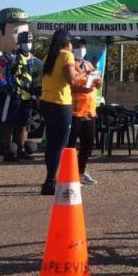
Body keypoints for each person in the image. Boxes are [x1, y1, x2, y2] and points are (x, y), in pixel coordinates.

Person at [0, 31, 42, 162]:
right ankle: (8, 150)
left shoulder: (33, 60)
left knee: (23, 124)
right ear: (19, 43)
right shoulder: (10, 57)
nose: (28, 44)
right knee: (9, 123)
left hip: (27, 97)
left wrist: (37, 93)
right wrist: (4, 84)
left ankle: (21, 148)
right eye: (25, 42)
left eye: (29, 42)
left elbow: (35, 80)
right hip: (12, 95)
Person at [38, 30, 78, 195]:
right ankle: (50, 182)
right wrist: (80, 74)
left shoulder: (48, 57)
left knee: (51, 143)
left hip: (46, 101)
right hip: (60, 103)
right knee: (59, 145)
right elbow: (70, 80)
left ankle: (49, 179)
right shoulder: (67, 56)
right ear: (67, 43)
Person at [67, 39, 102, 185]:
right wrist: (82, 89)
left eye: (82, 47)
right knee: (70, 145)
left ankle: (81, 172)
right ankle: (68, 174)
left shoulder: (89, 65)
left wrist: (97, 81)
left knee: (88, 144)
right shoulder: (69, 65)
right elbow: (70, 84)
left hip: (89, 110)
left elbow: (95, 82)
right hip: (74, 111)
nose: (80, 50)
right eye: (77, 47)